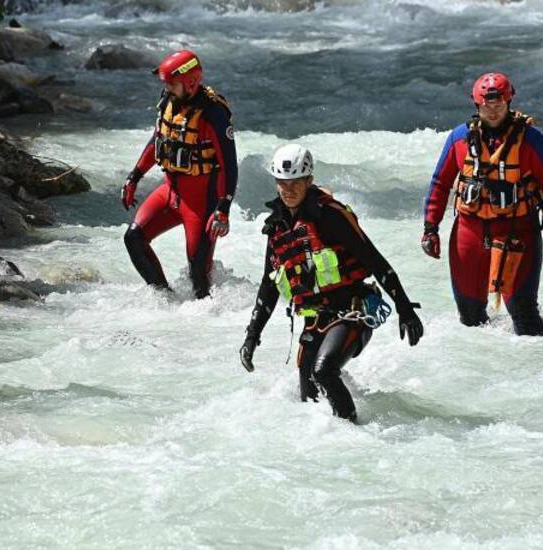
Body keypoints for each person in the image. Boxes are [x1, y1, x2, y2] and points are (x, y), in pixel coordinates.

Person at [239, 144, 424, 422]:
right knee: (309, 397)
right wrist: (252, 336)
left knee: (323, 371)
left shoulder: (330, 216)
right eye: (281, 183)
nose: (287, 190)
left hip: (351, 313)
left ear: (309, 181)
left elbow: (375, 261)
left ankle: (356, 434)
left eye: (295, 183)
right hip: (314, 320)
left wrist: (405, 309)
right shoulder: (276, 226)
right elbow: (270, 285)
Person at [421, 72, 543, 335]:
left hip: (517, 232)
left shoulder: (533, 141)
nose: (493, 110)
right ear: (476, 104)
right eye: (487, 105)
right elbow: (440, 184)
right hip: (470, 232)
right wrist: (430, 228)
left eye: (499, 104)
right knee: (469, 317)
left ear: (509, 102)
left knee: (525, 319)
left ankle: (539, 369)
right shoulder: (458, 138)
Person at [121, 49, 238, 299]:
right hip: (170, 192)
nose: (167, 88)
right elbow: (159, 140)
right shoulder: (169, 100)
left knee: (198, 278)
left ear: (191, 82)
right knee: (133, 238)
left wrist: (223, 209)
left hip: (201, 203)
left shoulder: (214, 114)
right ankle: (167, 301)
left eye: (172, 83)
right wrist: (134, 177)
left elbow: (229, 165)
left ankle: (203, 321)